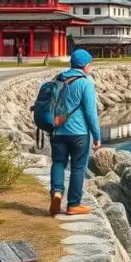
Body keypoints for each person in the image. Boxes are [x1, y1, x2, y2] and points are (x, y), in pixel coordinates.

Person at [49, 49, 101, 216]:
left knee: (58, 162)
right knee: (78, 167)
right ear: (85, 66)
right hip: (79, 133)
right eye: (89, 64)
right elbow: (91, 113)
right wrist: (97, 136)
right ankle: (73, 204)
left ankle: (56, 192)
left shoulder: (58, 79)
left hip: (57, 131)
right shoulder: (86, 83)